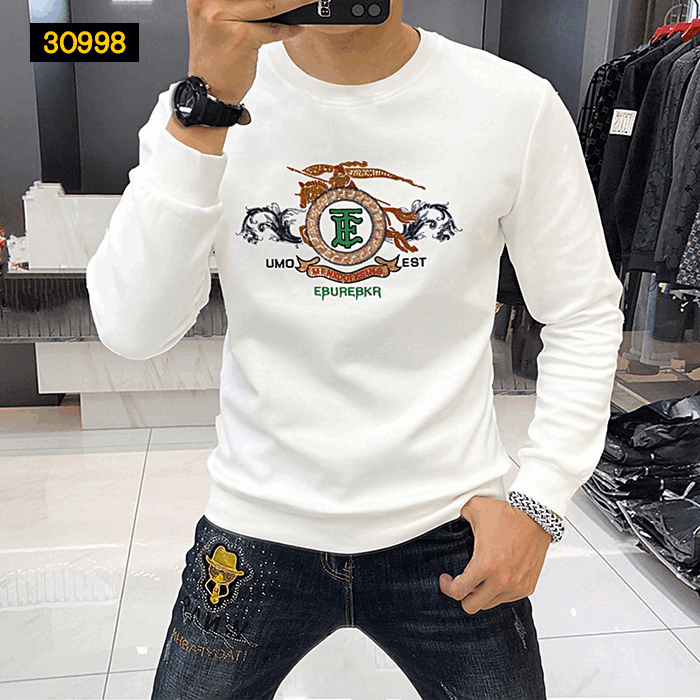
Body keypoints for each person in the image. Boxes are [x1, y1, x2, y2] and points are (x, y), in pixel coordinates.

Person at [85, 0, 625, 697]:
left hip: (451, 524)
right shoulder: (203, 109)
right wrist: (207, 110)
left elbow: (582, 311)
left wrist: (541, 505)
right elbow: (133, 331)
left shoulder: (512, 105)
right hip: (256, 524)